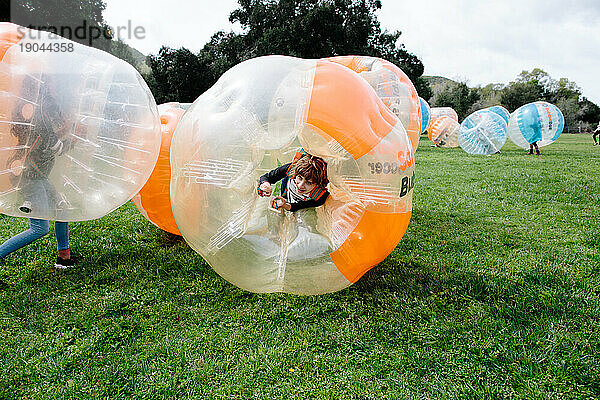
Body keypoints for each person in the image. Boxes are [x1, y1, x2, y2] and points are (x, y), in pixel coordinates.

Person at [0, 75, 76, 268]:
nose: (55, 89)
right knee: (39, 228)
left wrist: (66, 131)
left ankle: (64, 258)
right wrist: (75, 138)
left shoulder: (35, 114)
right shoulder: (40, 117)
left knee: (62, 210)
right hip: (28, 177)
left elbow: (44, 140)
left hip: (36, 175)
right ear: (42, 88)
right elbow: (57, 147)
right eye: (52, 85)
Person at [257, 151, 329, 212]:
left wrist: (286, 206)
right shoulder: (292, 169)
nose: (300, 185)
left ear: (318, 184)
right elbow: (267, 177)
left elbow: (299, 206)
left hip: (301, 202)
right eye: (300, 178)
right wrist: (265, 184)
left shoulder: (320, 196)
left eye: (309, 183)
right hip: (287, 193)